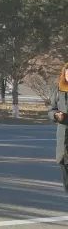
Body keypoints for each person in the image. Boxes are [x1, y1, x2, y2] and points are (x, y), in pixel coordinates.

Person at [50, 62, 68, 192]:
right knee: (64, 166)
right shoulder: (58, 90)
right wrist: (56, 115)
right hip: (64, 136)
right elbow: (51, 109)